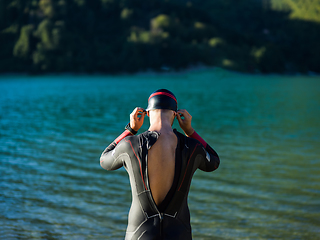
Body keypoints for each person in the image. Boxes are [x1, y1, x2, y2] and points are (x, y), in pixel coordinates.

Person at [100, 89, 220, 240]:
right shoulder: (193, 147)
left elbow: (104, 160)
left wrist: (131, 129)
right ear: (176, 115)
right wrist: (189, 131)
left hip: (139, 233)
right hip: (179, 233)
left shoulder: (130, 144)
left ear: (147, 113)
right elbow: (214, 161)